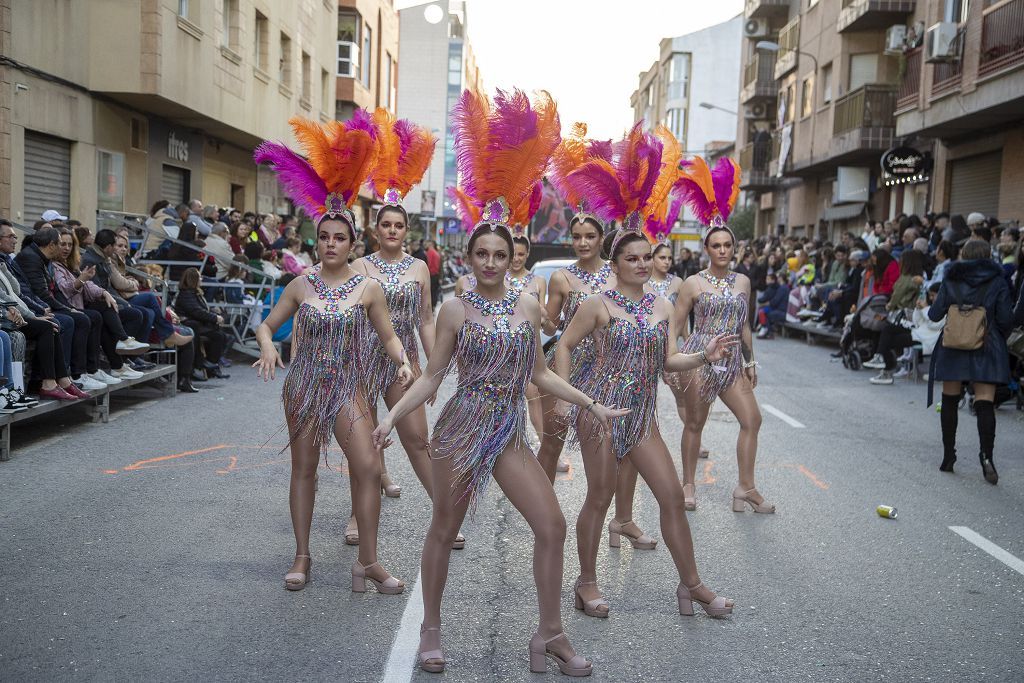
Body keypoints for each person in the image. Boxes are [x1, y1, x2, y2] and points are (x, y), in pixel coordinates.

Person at [371, 87, 616, 677]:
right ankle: (431, 627)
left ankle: (549, 637)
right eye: (479, 252)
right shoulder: (455, 308)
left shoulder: (529, 307)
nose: (487, 261)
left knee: (551, 524)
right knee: (444, 527)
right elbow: (433, 377)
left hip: (506, 435)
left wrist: (589, 401)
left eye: (497, 253)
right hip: (460, 432)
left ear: (511, 257)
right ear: (470, 255)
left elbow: (536, 372)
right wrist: (388, 416)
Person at [253, 113, 414, 596]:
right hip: (304, 386)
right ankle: (302, 555)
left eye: (339, 238)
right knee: (303, 469)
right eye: (323, 237)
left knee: (366, 467)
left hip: (348, 386)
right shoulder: (300, 285)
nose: (330, 244)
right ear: (316, 240)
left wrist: (403, 360)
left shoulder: (368, 288)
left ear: (352, 243)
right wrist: (267, 347)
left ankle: (368, 561)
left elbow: (388, 337)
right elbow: (267, 324)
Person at [346, 107, 445, 543]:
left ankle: (443, 514)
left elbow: (425, 320)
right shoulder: (358, 266)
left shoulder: (420, 268)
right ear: (375, 229)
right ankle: (357, 516)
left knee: (418, 440)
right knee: (362, 444)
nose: (391, 230)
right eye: (384, 224)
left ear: (407, 230)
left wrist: (433, 368)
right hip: (361, 360)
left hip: (404, 362)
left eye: (398, 225)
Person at [674, 157, 772, 513]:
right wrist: (675, 362)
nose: (722, 251)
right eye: (716, 246)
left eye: (727, 246)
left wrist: (750, 361)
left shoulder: (743, 281)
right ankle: (687, 484)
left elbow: (744, 325)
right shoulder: (692, 283)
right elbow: (674, 325)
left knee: (752, 419)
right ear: (707, 249)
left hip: (732, 362)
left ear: (734, 249)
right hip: (701, 358)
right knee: (695, 423)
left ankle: (745, 488)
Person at [537, 121, 616, 482]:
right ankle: (541, 503)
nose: (583, 242)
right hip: (565, 363)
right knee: (552, 439)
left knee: (602, 444)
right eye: (577, 236)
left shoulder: (618, 275)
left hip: (608, 368)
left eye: (589, 236)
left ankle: (609, 513)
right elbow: (551, 326)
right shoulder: (561, 278)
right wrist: (538, 313)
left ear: (601, 238)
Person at [929, 239, 1013, 484]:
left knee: (949, 399)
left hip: (953, 345)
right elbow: (1006, 318)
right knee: (985, 402)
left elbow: (935, 314)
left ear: (963, 255)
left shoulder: (951, 278)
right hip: (987, 345)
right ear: (988, 256)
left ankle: (948, 456)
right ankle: (986, 458)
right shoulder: (997, 281)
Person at [174, 268, 230, 381]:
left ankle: (211, 365)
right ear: (193, 279)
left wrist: (214, 313)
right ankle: (204, 365)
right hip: (191, 324)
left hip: (198, 323)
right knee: (218, 336)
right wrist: (215, 317)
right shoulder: (186, 294)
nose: (201, 279)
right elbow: (196, 311)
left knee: (222, 336)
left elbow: (200, 310)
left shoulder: (194, 293)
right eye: (199, 277)